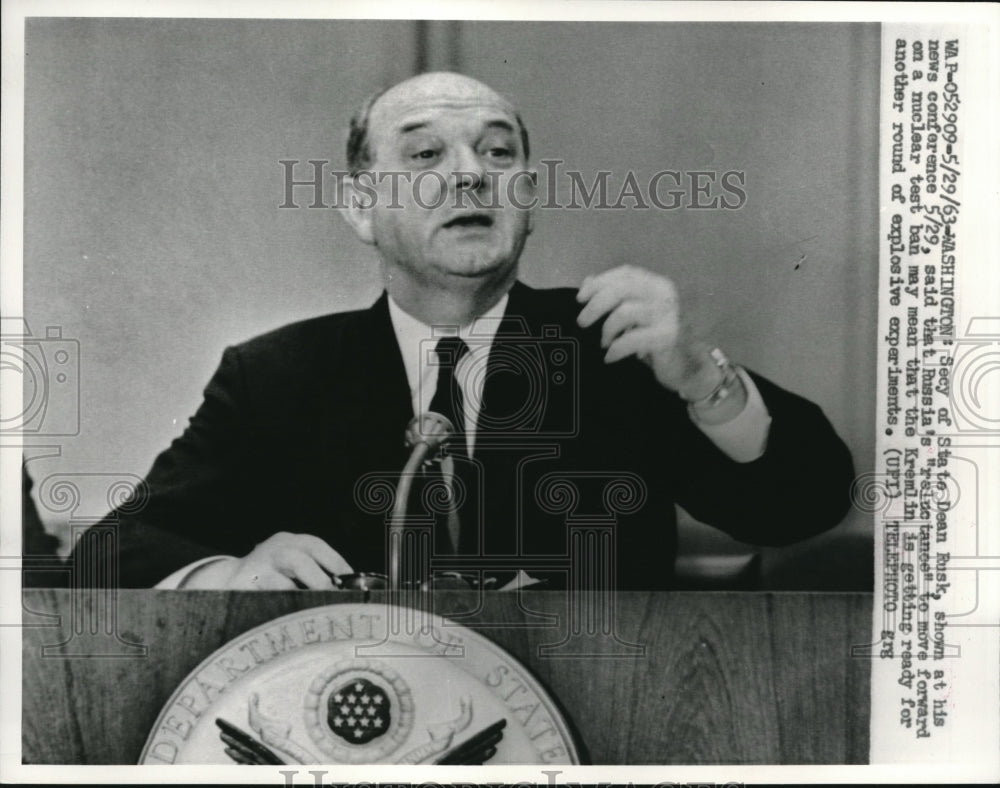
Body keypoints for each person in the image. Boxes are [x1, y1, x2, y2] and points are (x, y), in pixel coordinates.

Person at [70, 72, 854, 590]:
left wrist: (703, 382)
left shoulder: (613, 352)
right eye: (424, 154)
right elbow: (107, 556)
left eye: (497, 151)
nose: (471, 173)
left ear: (529, 198)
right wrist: (229, 574)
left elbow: (803, 508)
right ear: (359, 207)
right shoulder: (277, 377)